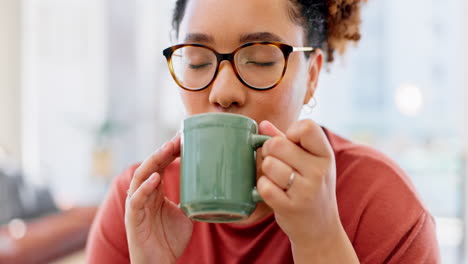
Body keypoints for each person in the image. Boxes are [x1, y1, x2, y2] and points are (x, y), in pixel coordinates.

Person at [86, 0, 441, 263]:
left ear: (312, 76)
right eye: (197, 60)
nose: (223, 92)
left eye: (260, 59)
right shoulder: (139, 205)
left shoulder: (376, 202)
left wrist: (320, 242)